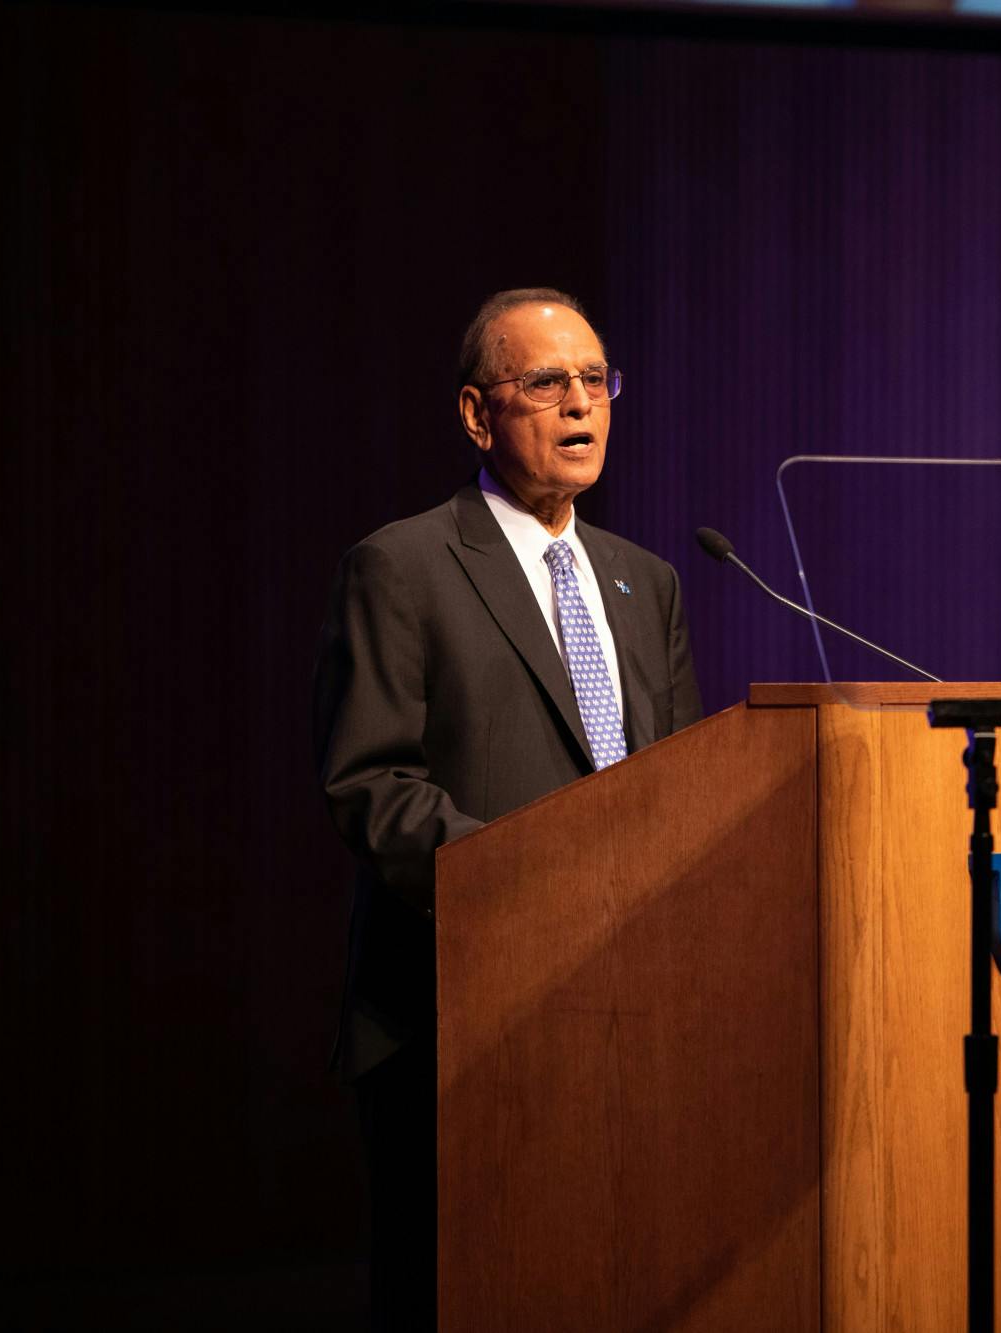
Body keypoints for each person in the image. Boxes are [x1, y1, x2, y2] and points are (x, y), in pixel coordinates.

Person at [311, 288, 701, 1328]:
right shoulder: (402, 566)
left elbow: (676, 785)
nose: (579, 404)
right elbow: (372, 786)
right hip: (458, 1014)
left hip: (624, 1005)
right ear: (479, 415)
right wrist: (539, 890)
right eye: (545, 383)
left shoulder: (645, 581)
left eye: (595, 380)